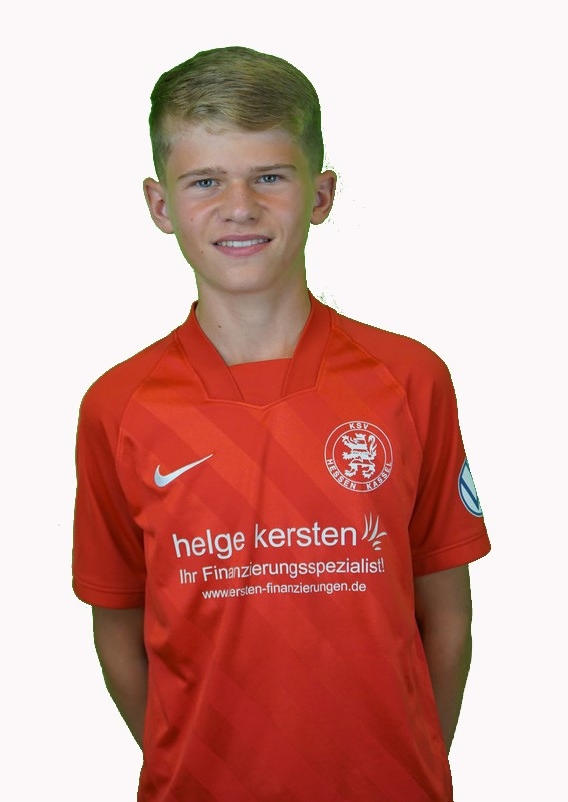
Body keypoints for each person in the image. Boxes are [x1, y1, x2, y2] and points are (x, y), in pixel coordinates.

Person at [72, 46, 490, 802]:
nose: (239, 206)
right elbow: (118, 632)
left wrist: (408, 764)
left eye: (269, 176)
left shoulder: (410, 379)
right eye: (205, 181)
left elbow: (447, 619)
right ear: (160, 206)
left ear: (321, 194)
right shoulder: (119, 405)